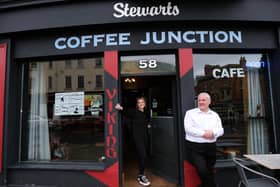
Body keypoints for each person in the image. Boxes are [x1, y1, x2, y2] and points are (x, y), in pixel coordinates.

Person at [184, 92, 224, 187]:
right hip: (195, 147)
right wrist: (204, 134)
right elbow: (188, 129)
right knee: (202, 170)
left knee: (209, 170)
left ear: (209, 102)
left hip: (211, 146)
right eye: (199, 100)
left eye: (203, 100)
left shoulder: (214, 115)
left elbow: (221, 130)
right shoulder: (190, 113)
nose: (201, 102)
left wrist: (213, 133)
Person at [115, 96, 151, 186]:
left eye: (142, 102)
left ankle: (141, 173)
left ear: (145, 103)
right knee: (143, 155)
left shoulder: (146, 113)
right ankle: (141, 176)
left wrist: (148, 126)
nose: (141, 104)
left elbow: (147, 123)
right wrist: (119, 107)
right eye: (139, 102)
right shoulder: (134, 112)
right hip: (137, 138)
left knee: (142, 156)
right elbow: (125, 111)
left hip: (145, 137)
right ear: (137, 105)